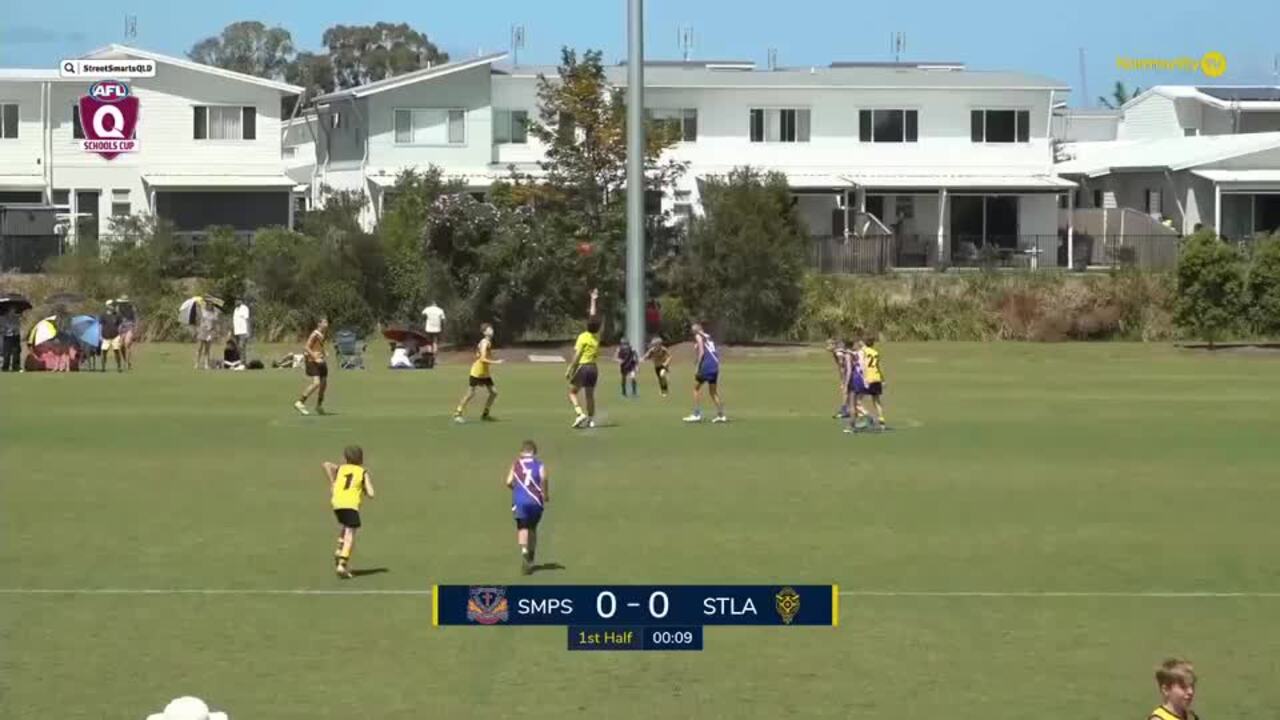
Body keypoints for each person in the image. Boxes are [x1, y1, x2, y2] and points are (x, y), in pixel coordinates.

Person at [322, 446, 376, 579]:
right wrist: (364, 487)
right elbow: (371, 494)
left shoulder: (341, 468)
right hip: (350, 505)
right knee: (350, 534)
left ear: (346, 458)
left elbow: (326, 464)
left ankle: (339, 549)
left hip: (337, 503)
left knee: (345, 526)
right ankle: (342, 563)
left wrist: (333, 482)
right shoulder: (363, 472)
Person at [504, 439, 549, 576]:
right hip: (536, 501)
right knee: (532, 529)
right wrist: (545, 495)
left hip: (520, 502)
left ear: (521, 452)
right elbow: (544, 479)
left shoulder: (516, 464)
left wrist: (516, 489)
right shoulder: (539, 465)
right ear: (534, 452)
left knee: (522, 527)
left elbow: (508, 482)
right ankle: (531, 555)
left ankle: (524, 551)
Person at [565, 289, 601, 428]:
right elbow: (593, 316)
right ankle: (591, 420)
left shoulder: (583, 337)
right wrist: (594, 300)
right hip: (594, 368)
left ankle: (580, 414)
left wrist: (570, 369)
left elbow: (577, 356)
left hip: (584, 367)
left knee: (572, 392)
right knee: (589, 395)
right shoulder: (596, 337)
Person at [454, 323, 502, 422]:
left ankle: (485, 414)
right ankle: (458, 413)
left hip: (485, 372)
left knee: (493, 393)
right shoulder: (485, 342)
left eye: (492, 329)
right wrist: (496, 362)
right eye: (489, 329)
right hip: (477, 372)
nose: (492, 330)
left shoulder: (487, 342)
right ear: (484, 332)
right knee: (470, 393)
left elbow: (478, 354)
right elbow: (483, 359)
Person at [684, 321, 726, 423]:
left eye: (693, 331)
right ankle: (721, 415)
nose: (693, 334)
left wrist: (698, 366)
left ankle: (697, 414)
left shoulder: (698, 336)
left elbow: (702, 352)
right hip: (715, 366)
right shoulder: (708, 336)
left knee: (696, 389)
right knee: (713, 392)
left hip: (707, 366)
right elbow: (709, 348)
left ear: (696, 330)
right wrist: (697, 347)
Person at [294, 318, 329, 416]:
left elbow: (318, 346)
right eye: (324, 322)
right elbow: (306, 347)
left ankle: (319, 405)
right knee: (316, 383)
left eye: (327, 322)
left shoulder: (323, 334)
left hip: (321, 361)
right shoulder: (314, 334)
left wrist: (323, 352)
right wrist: (315, 357)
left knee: (323, 384)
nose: (326, 324)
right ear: (319, 324)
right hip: (312, 361)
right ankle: (300, 402)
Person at [860, 334, 886, 430]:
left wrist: (864, 378)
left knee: (857, 400)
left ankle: (867, 417)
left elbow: (863, 365)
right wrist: (883, 380)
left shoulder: (863, 351)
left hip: (868, 378)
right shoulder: (875, 352)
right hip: (877, 378)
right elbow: (878, 367)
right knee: (877, 401)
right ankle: (881, 420)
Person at [827, 338, 850, 419]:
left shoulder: (838, 353)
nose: (827, 347)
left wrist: (843, 379)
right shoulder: (837, 352)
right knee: (846, 392)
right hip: (846, 374)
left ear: (834, 345)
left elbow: (843, 367)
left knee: (845, 391)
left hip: (847, 374)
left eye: (829, 345)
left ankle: (845, 410)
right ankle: (846, 409)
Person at [99, 305, 124, 372]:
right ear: (107, 307)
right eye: (110, 306)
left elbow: (120, 324)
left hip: (115, 336)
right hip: (105, 336)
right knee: (104, 352)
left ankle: (119, 367)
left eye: (113, 306)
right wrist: (100, 335)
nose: (112, 307)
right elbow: (100, 325)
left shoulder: (117, 315)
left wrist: (120, 333)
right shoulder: (103, 315)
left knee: (116, 351)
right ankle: (103, 367)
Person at [195, 302, 218, 370]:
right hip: (202, 331)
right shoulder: (203, 311)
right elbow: (199, 309)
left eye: (211, 305)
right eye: (209, 304)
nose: (210, 306)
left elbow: (215, 323)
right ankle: (197, 363)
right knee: (199, 348)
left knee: (207, 349)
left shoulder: (214, 314)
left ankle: (206, 364)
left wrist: (213, 333)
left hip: (210, 332)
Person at [1, 307, 22, 372]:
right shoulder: (2, 318)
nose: (13, 311)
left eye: (14, 310)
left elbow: (18, 326)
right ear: (8, 311)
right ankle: (5, 367)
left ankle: (16, 367)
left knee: (16, 352)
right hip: (7, 336)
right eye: (11, 310)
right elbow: (1, 328)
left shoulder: (16, 318)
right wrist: (7, 330)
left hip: (15, 336)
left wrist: (16, 329)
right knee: (7, 353)